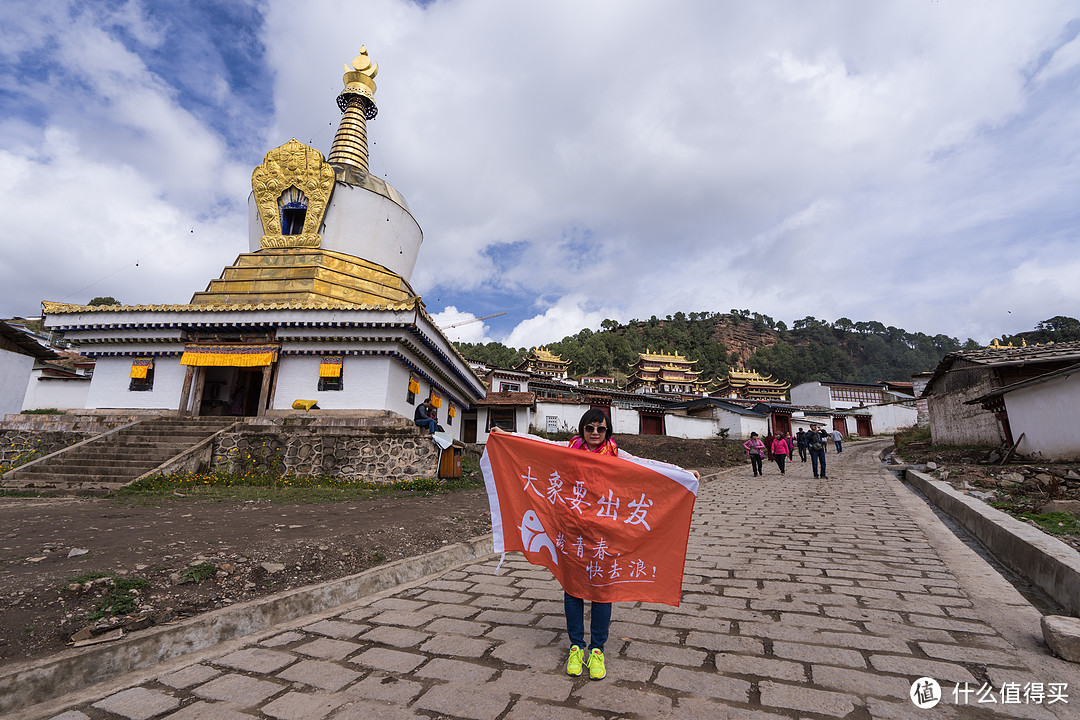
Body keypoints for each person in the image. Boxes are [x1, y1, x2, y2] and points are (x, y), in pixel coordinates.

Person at [492, 410, 699, 681]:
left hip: (604, 536)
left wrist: (682, 473)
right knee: (573, 588)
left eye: (600, 429)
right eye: (589, 428)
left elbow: (648, 465)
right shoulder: (569, 449)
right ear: (583, 428)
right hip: (573, 532)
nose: (594, 433)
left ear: (607, 431)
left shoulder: (616, 455)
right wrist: (507, 436)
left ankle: (597, 649)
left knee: (603, 591)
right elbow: (537, 443)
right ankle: (576, 646)